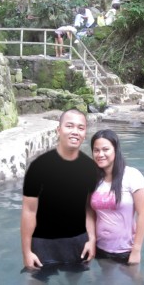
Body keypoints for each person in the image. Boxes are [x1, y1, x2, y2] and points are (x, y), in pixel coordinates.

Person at [21, 109, 98, 275]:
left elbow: (89, 208)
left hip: (77, 242)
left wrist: (92, 239)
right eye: (69, 126)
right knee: (36, 280)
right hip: (43, 243)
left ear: (85, 134)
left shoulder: (90, 168)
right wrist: (27, 252)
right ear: (58, 130)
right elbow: (29, 210)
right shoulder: (38, 167)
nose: (75, 132)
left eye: (80, 128)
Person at [90, 129, 144, 265]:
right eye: (96, 150)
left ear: (116, 150)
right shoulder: (93, 178)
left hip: (125, 250)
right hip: (100, 247)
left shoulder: (132, 176)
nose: (100, 154)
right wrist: (92, 240)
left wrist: (136, 250)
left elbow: (143, 214)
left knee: (134, 280)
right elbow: (91, 213)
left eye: (106, 149)